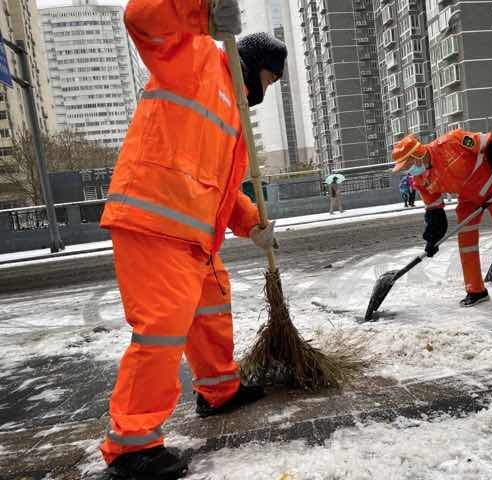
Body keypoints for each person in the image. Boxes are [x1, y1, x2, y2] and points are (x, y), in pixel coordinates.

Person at [97, 0, 287, 478]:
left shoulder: (234, 115)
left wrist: (251, 226)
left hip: (194, 237)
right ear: (261, 67)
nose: (269, 89)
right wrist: (201, 12)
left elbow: (225, 190)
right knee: (162, 329)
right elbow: (142, 17)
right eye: (272, 79)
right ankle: (133, 447)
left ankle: (219, 391)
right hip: (155, 223)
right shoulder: (197, 56)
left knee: (211, 311)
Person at [392, 130, 492, 306]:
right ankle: (476, 290)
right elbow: (435, 211)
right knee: (466, 243)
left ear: (417, 156)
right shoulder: (420, 179)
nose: (407, 170)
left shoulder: (452, 141)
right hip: (468, 200)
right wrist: (432, 240)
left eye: (407, 165)